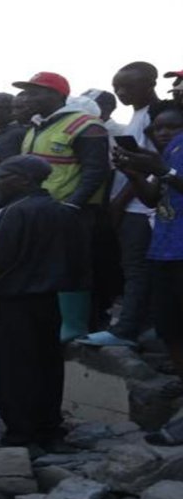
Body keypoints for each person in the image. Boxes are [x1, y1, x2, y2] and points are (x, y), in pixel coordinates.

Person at [0, 156, 88, 447]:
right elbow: (78, 262)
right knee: (46, 366)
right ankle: (49, 429)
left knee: (8, 371)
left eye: (3, 176)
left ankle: (21, 434)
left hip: (9, 304)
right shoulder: (65, 212)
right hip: (49, 302)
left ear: (24, 180)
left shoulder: (10, 214)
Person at [14, 71, 110, 342]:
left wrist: (72, 205)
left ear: (57, 95)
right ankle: (47, 322)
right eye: (27, 92)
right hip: (37, 209)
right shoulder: (36, 126)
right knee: (41, 266)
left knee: (70, 266)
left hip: (71, 211)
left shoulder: (85, 124)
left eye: (35, 92)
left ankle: (75, 326)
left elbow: (96, 171)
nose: (28, 97)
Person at [112, 106, 183, 441]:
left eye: (172, 126)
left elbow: (170, 180)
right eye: (157, 128)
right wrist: (133, 173)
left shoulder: (169, 158)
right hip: (164, 248)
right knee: (169, 325)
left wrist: (164, 170)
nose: (163, 132)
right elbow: (154, 199)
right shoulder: (167, 154)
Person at [80, 62, 163, 348]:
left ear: (150, 83)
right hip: (131, 202)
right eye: (117, 86)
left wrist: (119, 202)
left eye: (128, 86)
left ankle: (126, 330)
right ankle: (145, 326)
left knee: (136, 268)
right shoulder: (138, 115)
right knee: (138, 268)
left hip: (139, 206)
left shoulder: (154, 115)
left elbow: (150, 166)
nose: (121, 92)